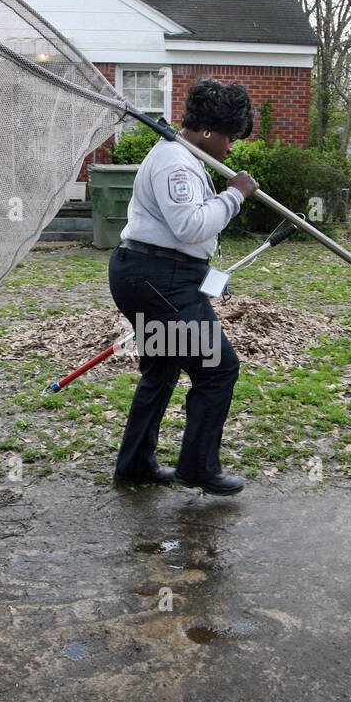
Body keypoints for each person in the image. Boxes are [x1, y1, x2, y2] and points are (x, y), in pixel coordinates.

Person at [107, 78, 259, 496]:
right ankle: (198, 467)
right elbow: (190, 226)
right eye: (229, 137)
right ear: (209, 131)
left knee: (163, 367)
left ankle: (136, 463)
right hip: (159, 281)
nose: (230, 148)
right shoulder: (176, 161)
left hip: (152, 274)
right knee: (218, 369)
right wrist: (235, 195)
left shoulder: (183, 156)